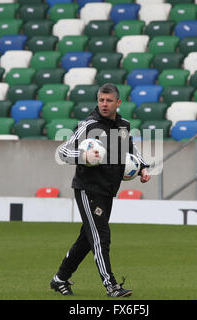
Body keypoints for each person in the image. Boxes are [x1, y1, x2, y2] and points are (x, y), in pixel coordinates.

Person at [50, 83, 151, 297]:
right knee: (100, 237)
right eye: (101, 100)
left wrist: (142, 167)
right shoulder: (88, 124)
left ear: (118, 102)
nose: (104, 104)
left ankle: (59, 279)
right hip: (88, 189)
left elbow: (130, 149)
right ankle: (111, 286)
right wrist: (83, 156)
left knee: (88, 239)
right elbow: (63, 152)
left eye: (109, 100)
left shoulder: (123, 125)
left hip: (108, 189)